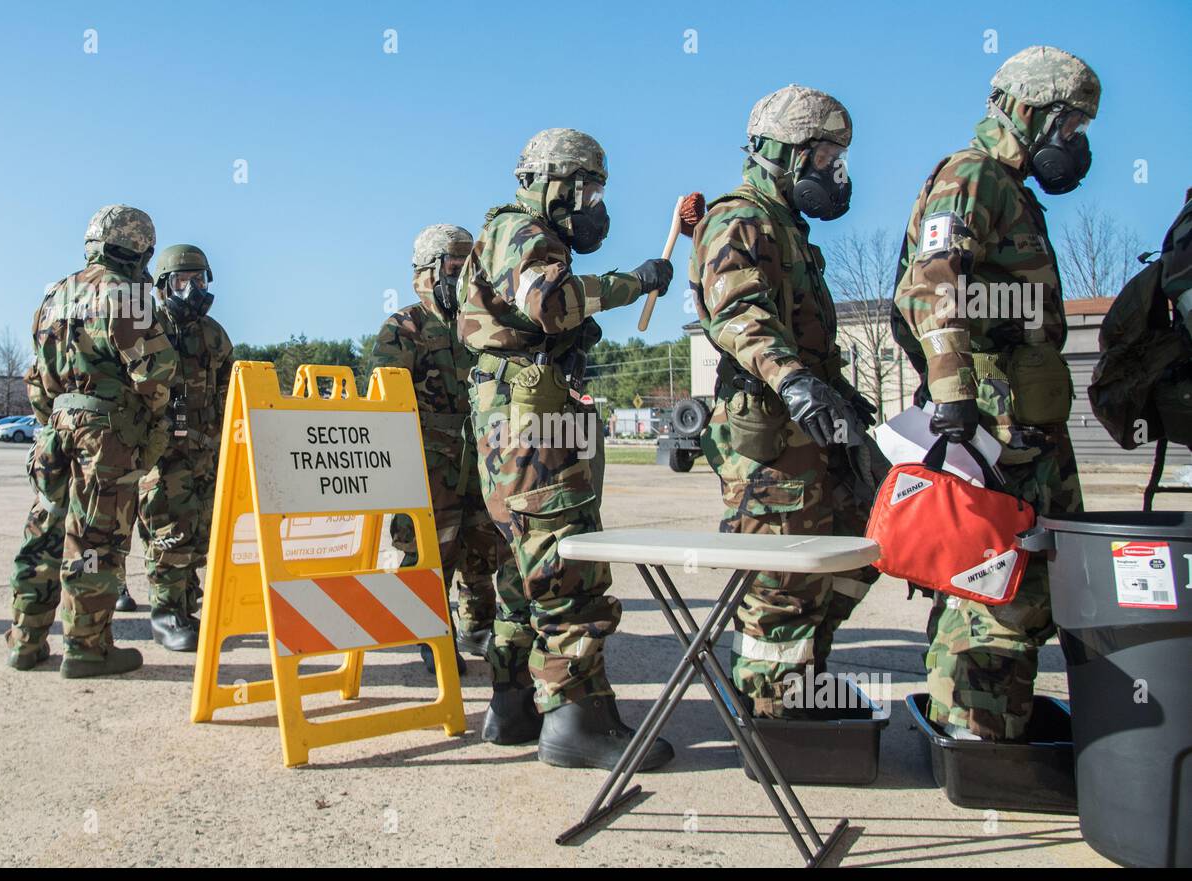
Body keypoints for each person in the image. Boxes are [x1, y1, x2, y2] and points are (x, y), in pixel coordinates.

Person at [892, 46, 1101, 740]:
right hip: (996, 425)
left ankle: (995, 724)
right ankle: (975, 734)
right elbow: (931, 282)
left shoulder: (1009, 188)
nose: (1075, 144)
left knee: (1033, 578)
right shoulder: (971, 176)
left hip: (1028, 425)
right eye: (1068, 126)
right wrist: (953, 395)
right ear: (1029, 112)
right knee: (995, 579)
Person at [457, 127, 676, 768]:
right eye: (589, 188)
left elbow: (534, 321)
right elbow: (550, 303)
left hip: (520, 413)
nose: (596, 203)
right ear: (554, 183)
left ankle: (515, 705)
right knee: (565, 562)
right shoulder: (522, 233)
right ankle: (576, 722)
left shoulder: (518, 235)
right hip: (532, 423)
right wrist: (631, 284)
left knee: (525, 570)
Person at [688, 85, 880, 720]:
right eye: (826, 158)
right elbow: (740, 313)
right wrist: (794, 380)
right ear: (786, 154)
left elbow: (805, 329)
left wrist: (839, 393)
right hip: (768, 429)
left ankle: (805, 673)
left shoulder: (787, 228)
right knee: (784, 570)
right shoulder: (737, 220)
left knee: (860, 540)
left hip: (812, 423)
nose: (835, 173)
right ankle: (773, 705)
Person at [5, 205, 178, 677]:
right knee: (94, 544)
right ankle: (87, 648)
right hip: (105, 437)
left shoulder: (54, 294)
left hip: (54, 431)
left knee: (43, 535)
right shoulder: (129, 294)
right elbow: (156, 371)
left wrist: (56, 418)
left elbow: (36, 380)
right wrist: (152, 421)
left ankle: (26, 641)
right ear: (142, 247)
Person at [371, 224, 506, 676]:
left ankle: (479, 625)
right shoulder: (402, 327)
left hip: (482, 458)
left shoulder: (484, 323)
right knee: (429, 551)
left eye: (471, 268)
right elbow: (385, 402)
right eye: (454, 268)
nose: (465, 277)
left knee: (483, 545)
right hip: (427, 464)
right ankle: (430, 632)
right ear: (429, 272)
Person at [121, 244, 234, 652]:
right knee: (169, 532)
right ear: (166, 285)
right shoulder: (149, 327)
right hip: (162, 452)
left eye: (200, 279)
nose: (195, 288)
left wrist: (224, 440)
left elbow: (228, 393)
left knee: (200, 533)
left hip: (204, 451)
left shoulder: (214, 334)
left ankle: (187, 606)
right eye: (185, 280)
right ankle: (166, 614)